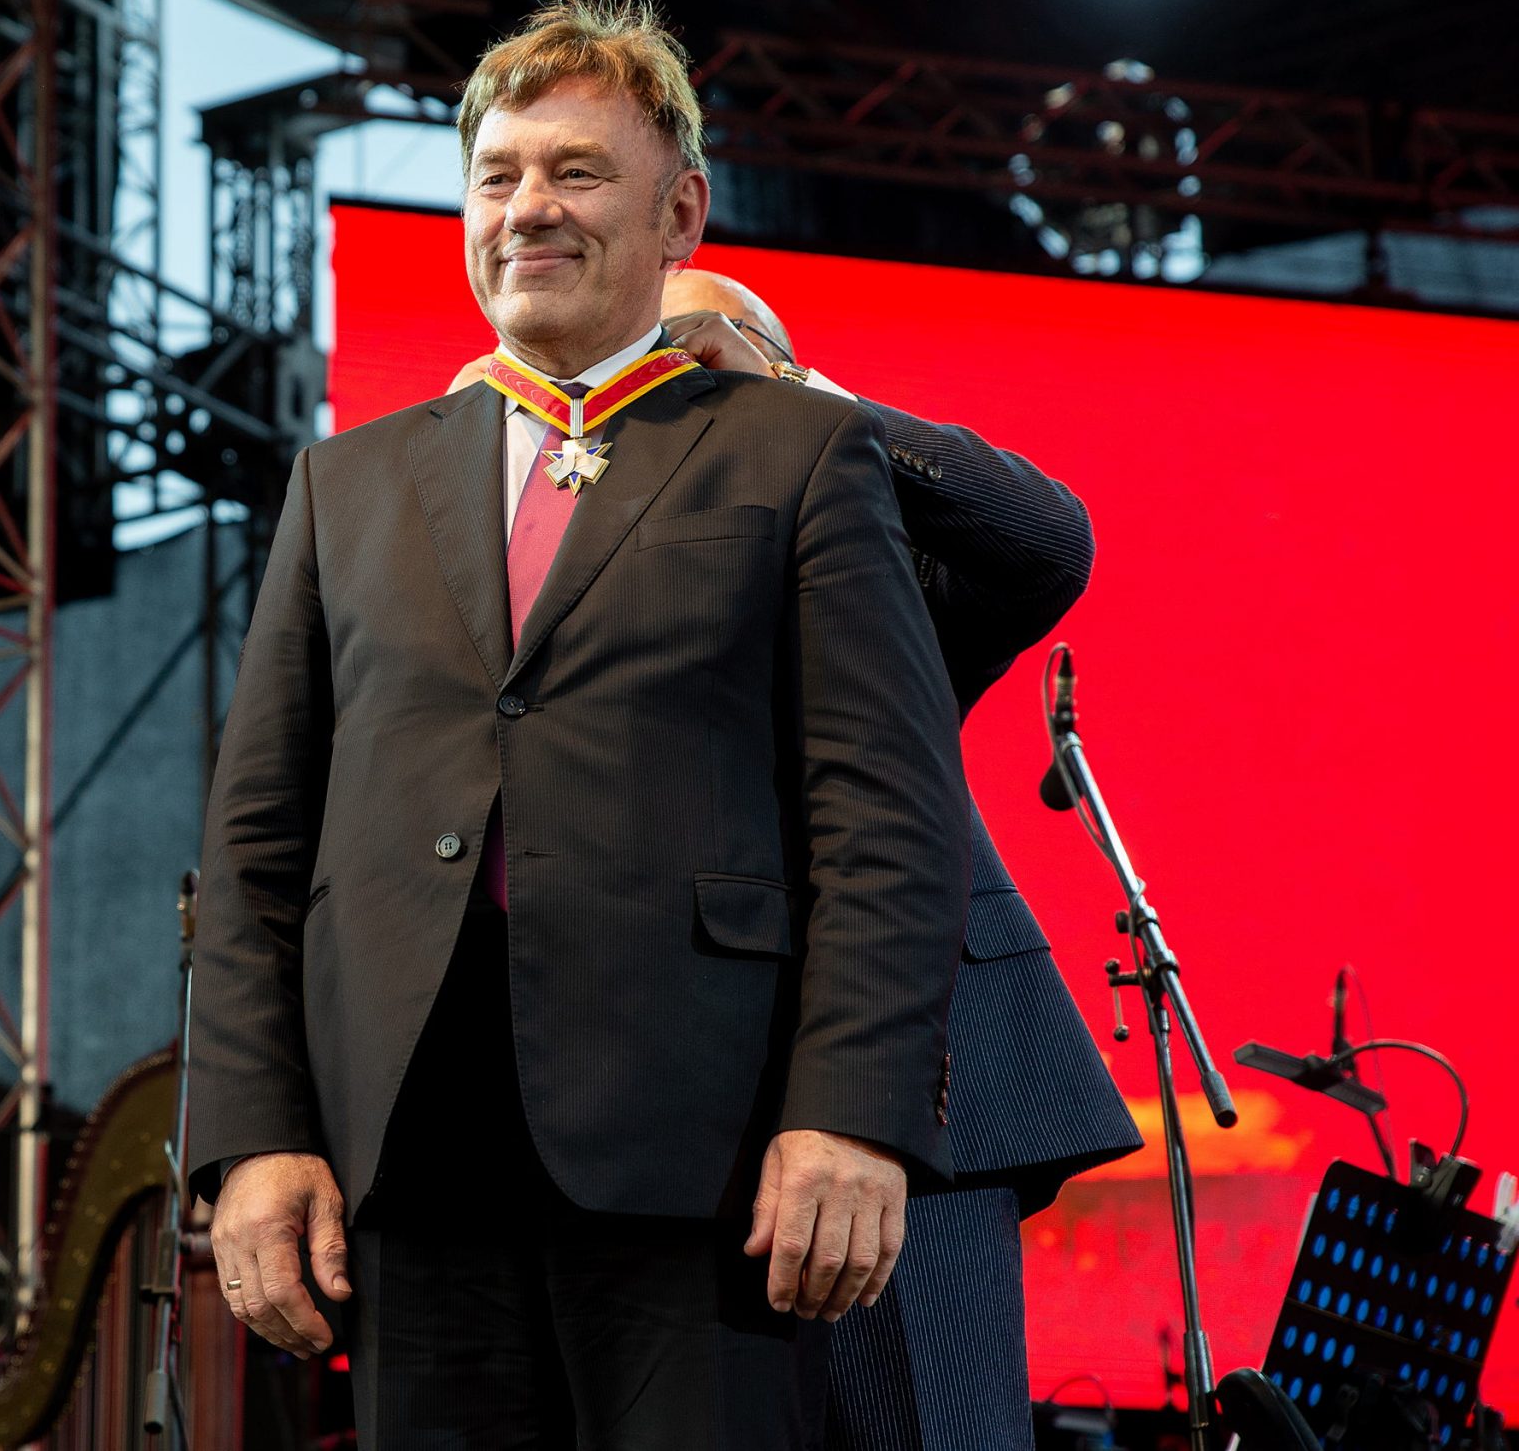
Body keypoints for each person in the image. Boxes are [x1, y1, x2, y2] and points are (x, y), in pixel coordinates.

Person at [189, 0, 971, 1447]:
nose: (528, 208)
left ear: (680, 213)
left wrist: (854, 1110)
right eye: (496, 176)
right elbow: (252, 848)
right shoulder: (346, 484)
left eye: (575, 172)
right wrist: (250, 1135)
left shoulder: (798, 451)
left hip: (710, 1166)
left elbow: (887, 818)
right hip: (411, 1158)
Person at [467, 271, 1146, 1449]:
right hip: (645, 1131)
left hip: (912, 1116)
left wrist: (794, 396)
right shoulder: (554, 605)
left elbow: (1044, 543)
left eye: (687, 356)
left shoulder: (881, 572)